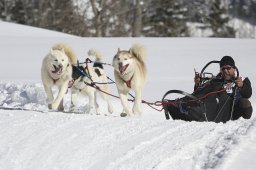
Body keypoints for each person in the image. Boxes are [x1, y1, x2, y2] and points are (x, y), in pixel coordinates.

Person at [194, 56, 253, 120]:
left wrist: (242, 86)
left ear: (234, 69)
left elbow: (248, 94)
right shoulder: (215, 80)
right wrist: (197, 84)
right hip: (218, 110)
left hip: (235, 110)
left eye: (228, 68)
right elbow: (200, 94)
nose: (225, 71)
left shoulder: (242, 80)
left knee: (245, 102)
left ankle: (242, 122)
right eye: (223, 69)